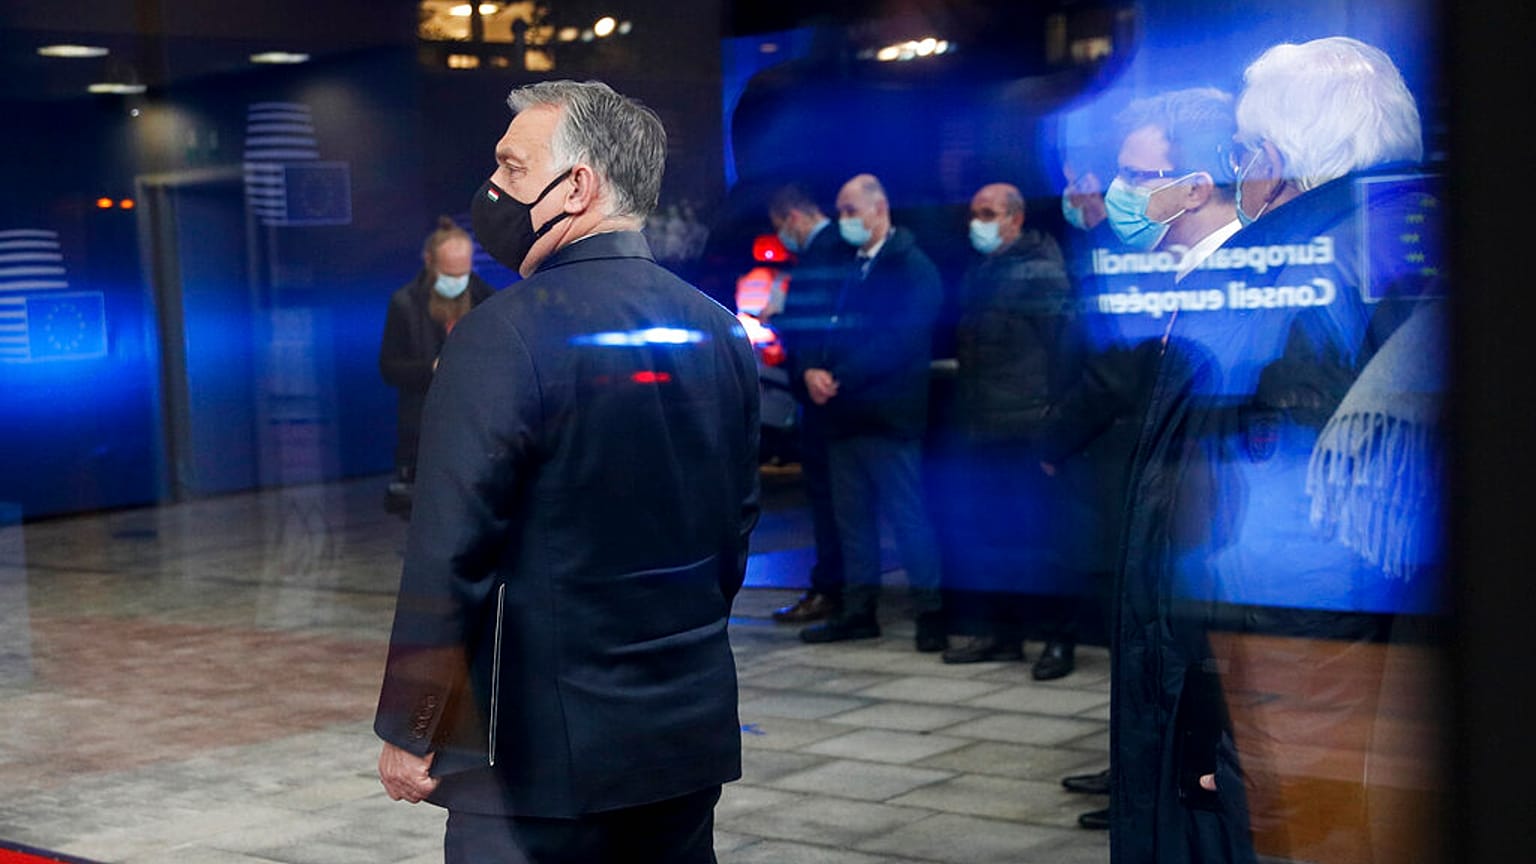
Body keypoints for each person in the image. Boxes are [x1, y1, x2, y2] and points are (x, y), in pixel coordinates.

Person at [374, 80, 760, 864]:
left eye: (512, 169)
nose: (493, 190)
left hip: (541, 762)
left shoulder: (501, 335)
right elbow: (732, 538)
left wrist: (413, 725)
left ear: (577, 186)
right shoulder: (720, 331)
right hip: (683, 737)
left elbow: (451, 552)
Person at [1105, 39, 1434, 864]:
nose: (1242, 170)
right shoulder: (1437, 230)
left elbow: (1216, 505)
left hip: (1293, 644)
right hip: (1399, 623)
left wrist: (1202, 703)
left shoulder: (1273, 266)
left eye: (1244, 153)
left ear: (1276, 159)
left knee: (1300, 832)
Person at [938, 182, 1083, 679]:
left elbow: (1065, 352)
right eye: (974, 212)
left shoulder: (1041, 272)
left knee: (1042, 542)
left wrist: (1054, 427)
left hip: (1028, 427)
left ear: (1015, 219)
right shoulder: (983, 270)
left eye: (988, 212)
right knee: (992, 536)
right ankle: (1003, 634)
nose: (977, 221)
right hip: (983, 427)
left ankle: (1057, 640)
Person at [797, 173, 946, 652]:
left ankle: (931, 614)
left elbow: (902, 339)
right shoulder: (844, 265)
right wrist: (809, 370)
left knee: (907, 518)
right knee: (853, 521)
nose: (843, 221)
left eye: (850, 210)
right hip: (842, 416)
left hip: (887, 414)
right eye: (840, 211)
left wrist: (838, 377)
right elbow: (813, 324)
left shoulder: (913, 268)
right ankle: (859, 611)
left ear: (879, 209)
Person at [765, 183, 854, 624]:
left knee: (828, 498)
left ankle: (832, 589)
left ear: (793, 217)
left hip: (822, 396)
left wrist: (778, 319)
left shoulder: (824, 253)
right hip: (824, 392)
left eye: (781, 227)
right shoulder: (837, 249)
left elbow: (814, 323)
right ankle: (839, 588)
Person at [378, 219, 495, 513]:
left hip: (477, 425)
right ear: (430, 262)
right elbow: (389, 367)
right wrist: (433, 368)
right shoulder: (405, 303)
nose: (456, 280)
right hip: (423, 426)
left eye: (463, 272)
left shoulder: (488, 300)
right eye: (449, 273)